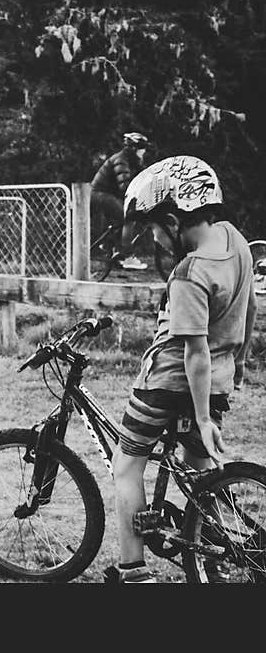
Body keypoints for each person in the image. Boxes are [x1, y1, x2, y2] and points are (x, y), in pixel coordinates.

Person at [108, 156, 256, 583]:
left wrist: (205, 419)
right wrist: (239, 364)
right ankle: (214, 550)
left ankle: (133, 573)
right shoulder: (236, 241)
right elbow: (248, 311)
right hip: (216, 381)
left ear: (173, 220)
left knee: (127, 465)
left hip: (169, 382)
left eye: (153, 227)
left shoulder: (190, 273)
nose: (153, 237)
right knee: (198, 466)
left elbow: (194, 353)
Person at [90, 131, 152, 270]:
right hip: (100, 194)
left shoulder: (132, 160)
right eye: (142, 149)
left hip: (108, 194)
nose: (144, 152)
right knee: (128, 218)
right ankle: (127, 257)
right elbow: (125, 185)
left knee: (123, 218)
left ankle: (110, 247)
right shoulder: (121, 160)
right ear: (134, 149)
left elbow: (145, 176)